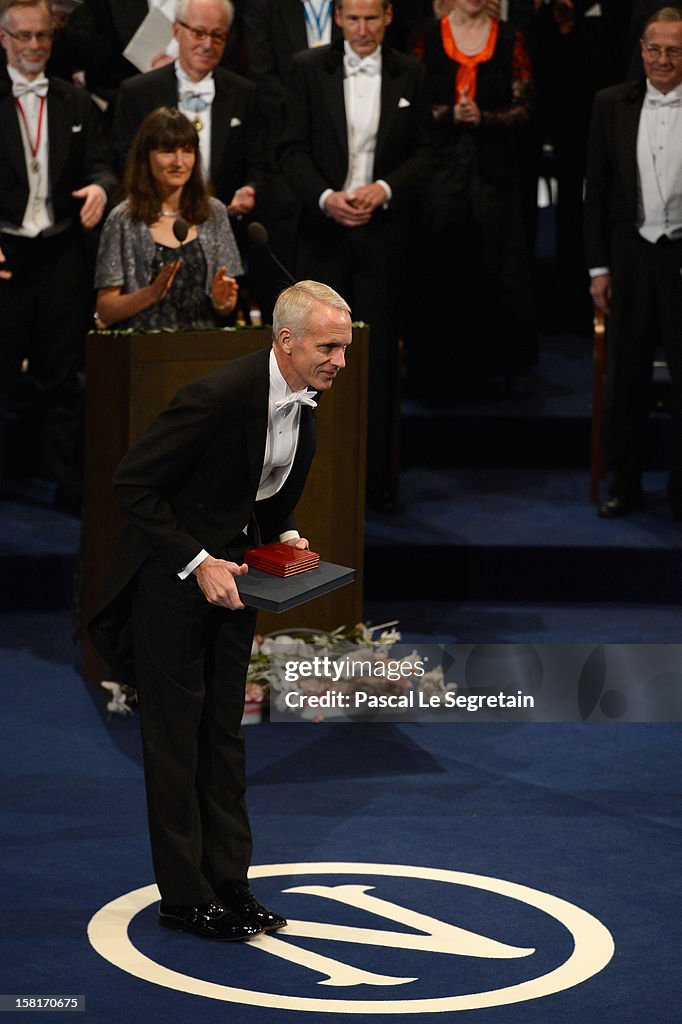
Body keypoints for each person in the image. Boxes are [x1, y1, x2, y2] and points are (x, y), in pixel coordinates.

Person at [89, 279, 352, 941]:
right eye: (328, 346)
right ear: (286, 340)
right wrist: (195, 560)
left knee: (223, 737)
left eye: (344, 348)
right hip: (172, 586)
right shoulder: (216, 394)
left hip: (236, 585)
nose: (340, 361)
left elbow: (255, 492)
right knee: (176, 742)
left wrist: (284, 533)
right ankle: (183, 897)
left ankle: (231, 887)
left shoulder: (305, 404)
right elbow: (135, 484)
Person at [277, 0, 436, 512]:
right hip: (323, 238)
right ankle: (300, 484)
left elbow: (428, 152)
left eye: (373, 19)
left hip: (384, 239)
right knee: (308, 360)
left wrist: (385, 189)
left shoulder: (411, 72)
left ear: (389, 16)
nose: (363, 30)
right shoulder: (306, 68)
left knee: (376, 360)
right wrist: (327, 198)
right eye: (353, 19)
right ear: (338, 19)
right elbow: (290, 150)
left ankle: (373, 484)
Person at [0, 0, 115, 513]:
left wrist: (99, 190)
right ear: (3, 38)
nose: (33, 47)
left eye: (42, 36)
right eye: (22, 36)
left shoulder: (76, 102)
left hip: (62, 250)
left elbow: (104, 166)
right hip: (5, 256)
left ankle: (68, 484)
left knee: (63, 377)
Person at [584, 7, 682, 521]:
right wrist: (598, 268)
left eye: (673, 50)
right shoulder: (611, 104)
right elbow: (595, 193)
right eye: (654, 49)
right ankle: (625, 482)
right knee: (627, 380)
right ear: (641, 49)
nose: (662, 59)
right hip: (630, 261)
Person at [110, 0, 265, 321]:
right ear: (176, 31)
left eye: (218, 36)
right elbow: (124, 161)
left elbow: (260, 161)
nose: (207, 44)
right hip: (151, 229)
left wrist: (250, 188)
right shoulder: (138, 92)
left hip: (220, 233)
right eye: (198, 33)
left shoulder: (245, 93)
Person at [415, 0, 536, 400]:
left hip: (493, 172)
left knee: (495, 264)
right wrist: (451, 113)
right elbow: (412, 103)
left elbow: (525, 107)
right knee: (441, 262)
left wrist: (483, 117)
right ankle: (440, 370)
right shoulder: (429, 37)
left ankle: (492, 369)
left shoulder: (509, 38)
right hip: (441, 171)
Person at [94, 106, 240, 330]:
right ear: (146, 156)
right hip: (146, 348)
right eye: (168, 151)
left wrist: (223, 302)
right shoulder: (123, 219)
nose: (179, 162)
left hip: (204, 345)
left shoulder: (214, 213)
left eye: (187, 150)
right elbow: (105, 310)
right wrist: (150, 294)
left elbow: (226, 306)